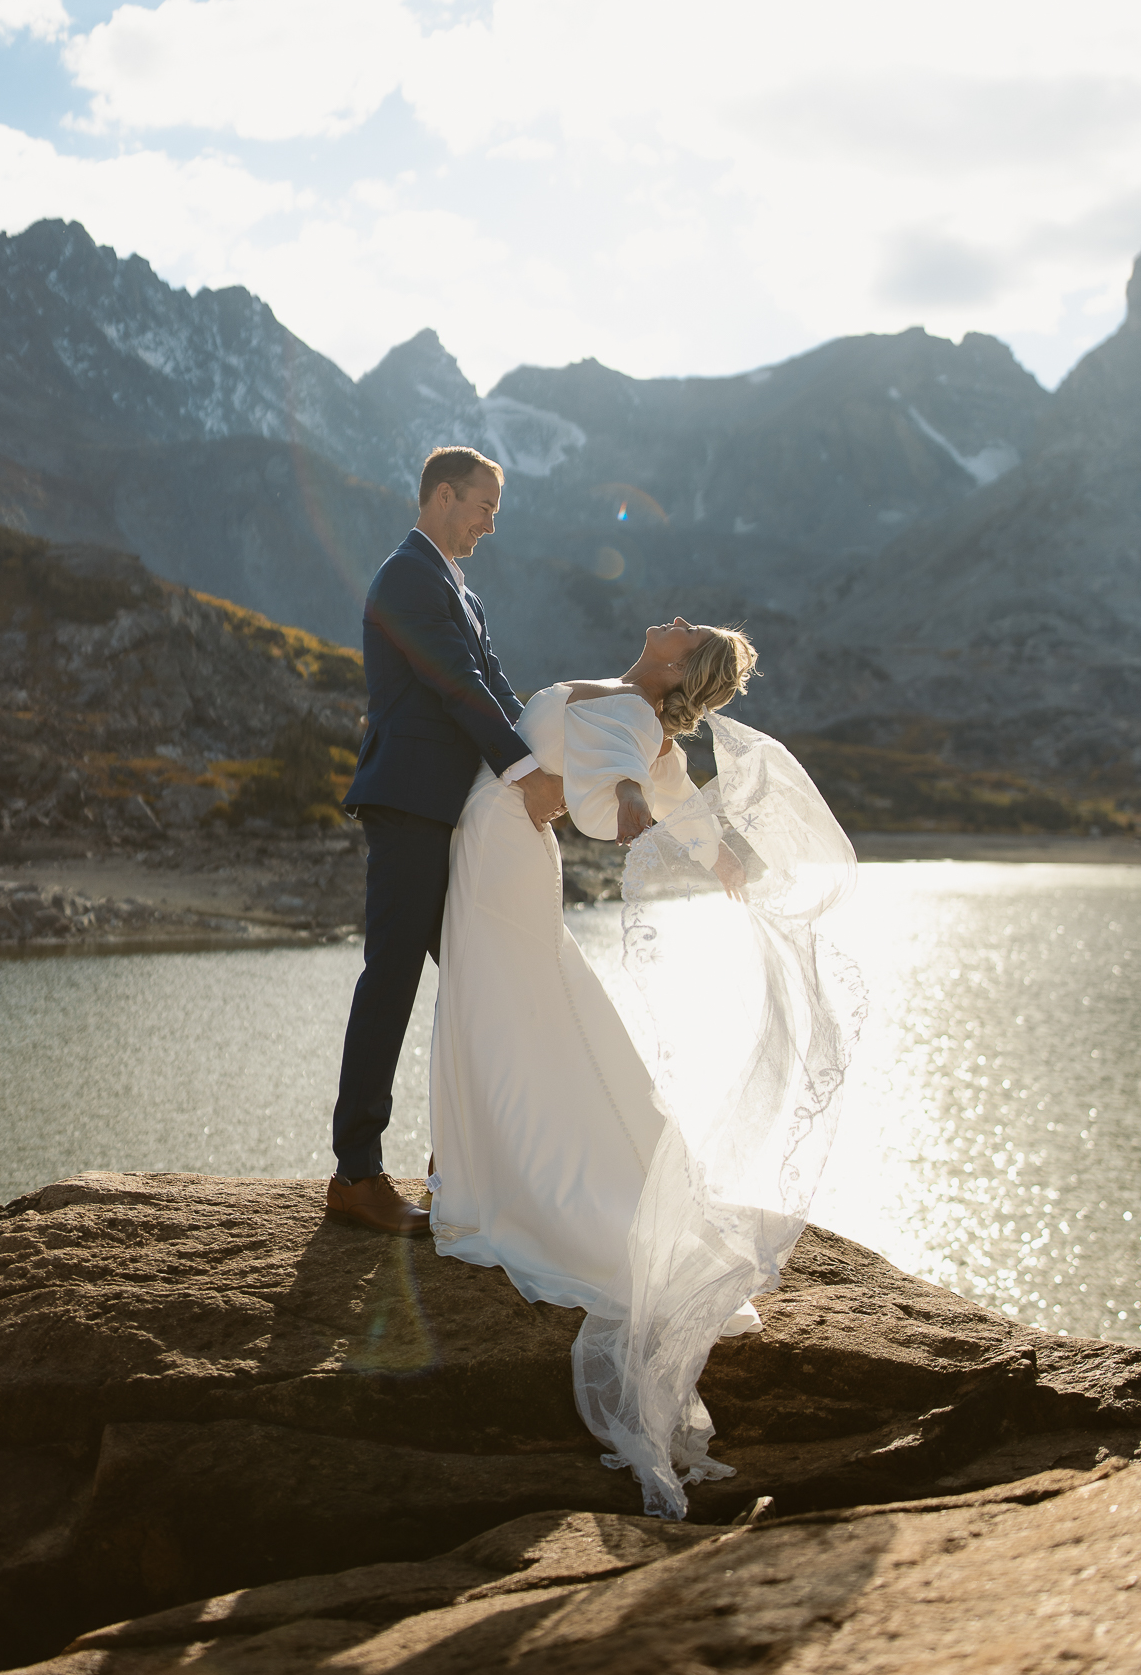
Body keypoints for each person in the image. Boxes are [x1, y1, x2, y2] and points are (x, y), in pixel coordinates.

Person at [429, 618, 863, 1518]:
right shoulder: (642, 715)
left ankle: (502, 1186)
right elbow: (681, 803)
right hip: (503, 842)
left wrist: (628, 808)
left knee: (502, 1011)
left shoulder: (632, 714)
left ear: (675, 662)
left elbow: (623, 791)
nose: (670, 619)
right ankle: (486, 1171)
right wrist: (725, 856)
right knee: (513, 1009)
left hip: (504, 846)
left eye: (684, 628)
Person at [327, 446, 566, 1236]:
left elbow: (494, 682)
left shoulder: (459, 588)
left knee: (476, 976)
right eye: (482, 506)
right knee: (390, 982)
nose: (490, 524)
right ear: (439, 496)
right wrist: (525, 774)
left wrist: (553, 750)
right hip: (408, 807)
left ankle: (460, 1161)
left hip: (450, 813)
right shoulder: (406, 577)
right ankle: (356, 1174)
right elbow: (453, 684)